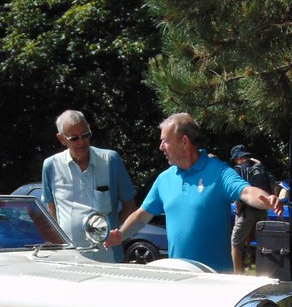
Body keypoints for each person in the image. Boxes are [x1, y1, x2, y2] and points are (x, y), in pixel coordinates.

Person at [105, 113, 280, 273]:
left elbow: (247, 192)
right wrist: (121, 235)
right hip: (179, 277)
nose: (161, 147)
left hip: (216, 278)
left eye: (165, 141)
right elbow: (142, 216)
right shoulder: (164, 179)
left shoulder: (218, 172)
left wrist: (267, 200)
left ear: (184, 141)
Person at [41, 110, 138, 263]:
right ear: (61, 139)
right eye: (74, 138)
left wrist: (114, 233)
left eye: (85, 135)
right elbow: (51, 210)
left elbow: (130, 205)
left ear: (90, 130)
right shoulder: (51, 166)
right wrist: (56, 244)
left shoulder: (110, 160)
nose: (82, 142)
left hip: (108, 256)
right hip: (69, 258)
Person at [229, 144, 274, 274]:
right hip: (262, 209)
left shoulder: (238, 170)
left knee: (236, 243)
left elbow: (238, 192)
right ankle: (267, 271)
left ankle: (238, 274)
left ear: (238, 158)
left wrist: (238, 208)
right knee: (264, 243)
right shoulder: (259, 168)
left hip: (246, 211)